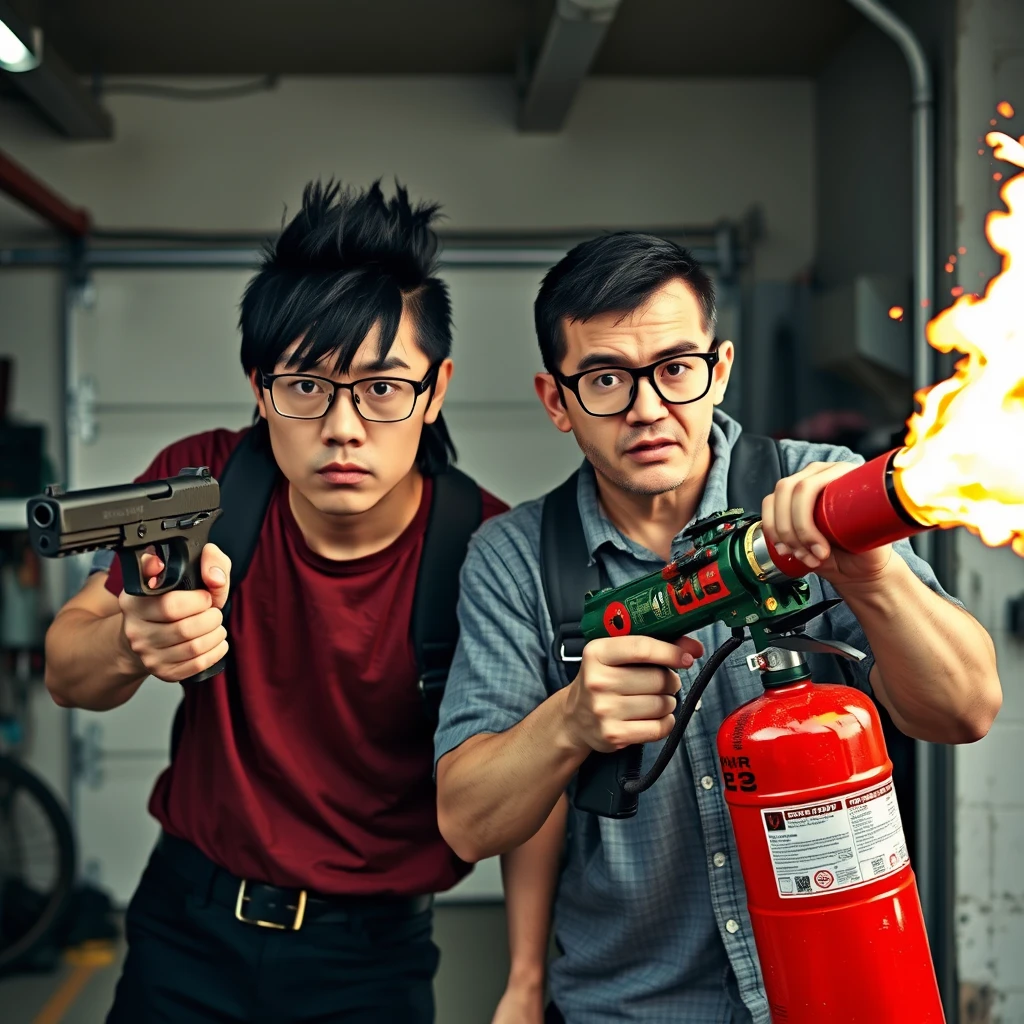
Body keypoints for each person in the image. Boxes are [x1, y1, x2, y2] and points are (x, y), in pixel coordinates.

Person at [433, 232, 1003, 1024]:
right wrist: (570, 720)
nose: (647, 409)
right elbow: (466, 822)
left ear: (720, 368)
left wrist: (870, 575)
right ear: (555, 401)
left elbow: (965, 710)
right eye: (604, 379)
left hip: (845, 997)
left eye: (674, 369)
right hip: (632, 1010)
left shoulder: (817, 485)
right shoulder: (514, 559)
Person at [42, 178, 544, 1023]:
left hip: (372, 958)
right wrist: (134, 636)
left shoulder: (486, 550)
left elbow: (530, 776)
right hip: (187, 925)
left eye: (382, 388)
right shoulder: (202, 485)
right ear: (258, 385)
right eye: (306, 386)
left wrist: (527, 978)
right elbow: (67, 667)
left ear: (438, 387)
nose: (342, 427)